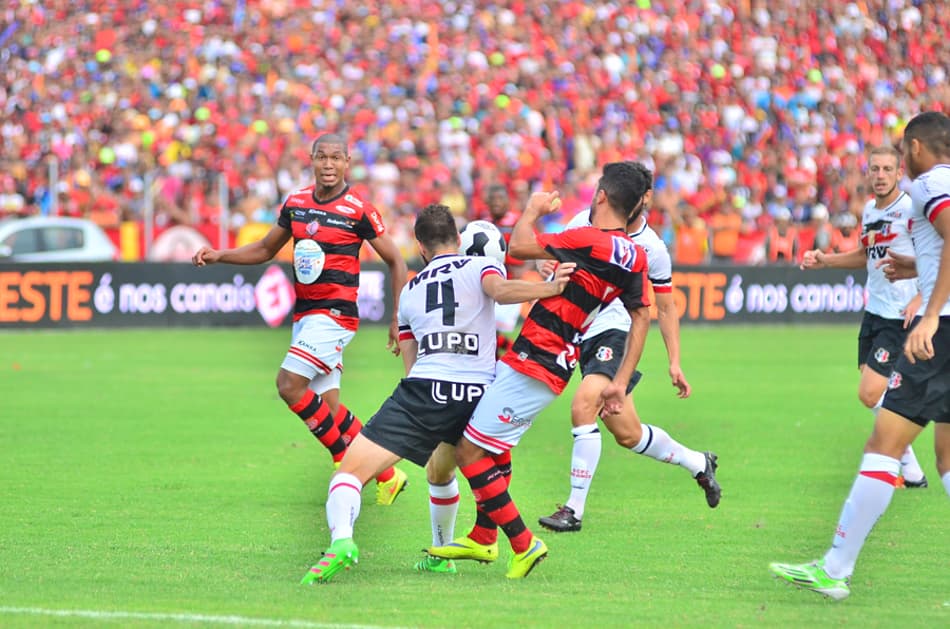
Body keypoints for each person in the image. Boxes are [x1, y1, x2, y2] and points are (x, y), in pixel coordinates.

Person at [299, 204, 576, 583]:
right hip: (478, 393)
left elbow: (411, 365)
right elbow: (501, 291)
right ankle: (445, 552)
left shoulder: (411, 291)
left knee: (348, 473)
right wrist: (551, 287)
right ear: (459, 241)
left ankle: (342, 541)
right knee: (440, 469)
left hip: (427, 392)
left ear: (420, 247)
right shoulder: (481, 267)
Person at [426, 161, 654, 579]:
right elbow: (642, 316)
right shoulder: (635, 255)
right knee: (492, 445)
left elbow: (518, 248)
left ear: (601, 196)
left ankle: (521, 543)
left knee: (468, 452)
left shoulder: (588, 239)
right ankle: (482, 535)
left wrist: (532, 210)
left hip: (540, 359)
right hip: (549, 356)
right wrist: (620, 382)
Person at [770, 111, 950, 600]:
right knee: (948, 457)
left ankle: (834, 568)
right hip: (915, 318)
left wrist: (930, 312)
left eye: (893, 162)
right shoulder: (916, 197)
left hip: (936, 328)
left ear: (912, 150)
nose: (883, 173)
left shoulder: (930, 185)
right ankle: (834, 565)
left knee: (882, 443)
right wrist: (914, 265)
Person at [192, 133, 410, 505]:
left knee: (289, 384)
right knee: (329, 410)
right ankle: (387, 474)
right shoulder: (296, 204)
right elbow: (264, 249)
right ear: (311, 160)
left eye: (336, 158)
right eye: (322, 157)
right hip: (306, 315)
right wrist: (221, 255)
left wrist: (398, 317)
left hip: (336, 315)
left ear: (347, 162)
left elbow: (396, 260)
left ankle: (346, 461)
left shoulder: (358, 208)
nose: (328, 164)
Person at [538, 165, 720, 534]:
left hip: (615, 332)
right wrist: (550, 266)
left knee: (583, 405)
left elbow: (665, 307)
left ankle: (573, 509)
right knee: (628, 434)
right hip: (580, 331)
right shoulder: (582, 220)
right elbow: (561, 266)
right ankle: (699, 462)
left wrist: (675, 362)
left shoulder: (652, 247)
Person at [799, 145, 927, 487]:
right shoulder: (870, 210)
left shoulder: (912, 210)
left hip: (899, 314)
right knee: (874, 391)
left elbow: (934, 256)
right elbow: (865, 255)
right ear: (868, 173)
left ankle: (897, 452)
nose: (881, 175)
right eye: (875, 169)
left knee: (869, 393)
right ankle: (912, 471)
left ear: (900, 173)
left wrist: (920, 296)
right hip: (874, 311)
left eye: (888, 169)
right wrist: (826, 260)